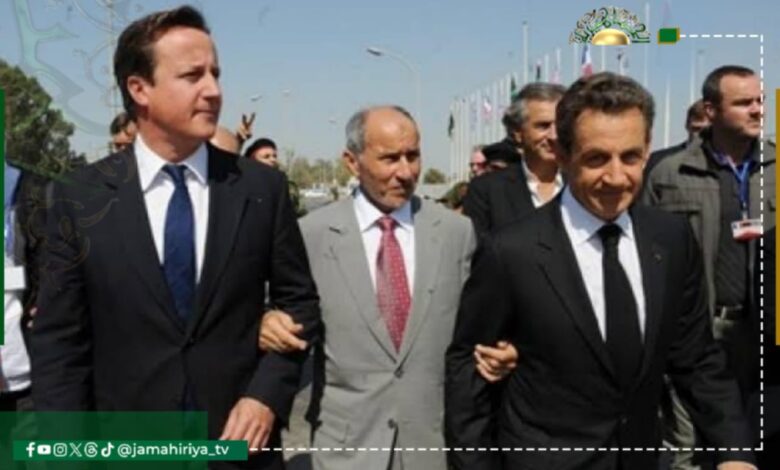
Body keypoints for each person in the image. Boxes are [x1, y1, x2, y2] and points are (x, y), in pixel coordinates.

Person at [30, 7, 320, 469]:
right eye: (192, 75)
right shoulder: (79, 197)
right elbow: (60, 345)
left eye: (215, 74)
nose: (214, 90)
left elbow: (300, 306)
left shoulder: (260, 190)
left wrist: (265, 397)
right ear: (139, 89)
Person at [445, 72, 754, 470]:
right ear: (563, 154)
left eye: (631, 157)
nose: (616, 177)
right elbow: (468, 376)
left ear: (647, 150)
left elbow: (697, 359)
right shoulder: (511, 252)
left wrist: (735, 452)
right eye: (596, 159)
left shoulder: (671, 239)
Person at [258, 105, 517, 469]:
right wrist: (267, 320)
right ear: (352, 162)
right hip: (346, 451)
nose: (406, 172)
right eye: (390, 158)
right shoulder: (311, 236)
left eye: (413, 156)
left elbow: (486, 322)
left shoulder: (458, 234)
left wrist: (506, 349)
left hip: (434, 447)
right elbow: (275, 307)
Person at [643, 65, 774, 469]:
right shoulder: (669, 174)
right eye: (744, 102)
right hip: (694, 333)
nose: (757, 109)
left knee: (755, 441)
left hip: (762, 334)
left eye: (760, 100)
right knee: (687, 447)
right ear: (711, 110)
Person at [463, 83, 566, 236]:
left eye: (561, 125)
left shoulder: (584, 185)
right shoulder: (487, 191)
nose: (554, 136)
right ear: (518, 132)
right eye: (543, 126)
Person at [645, 99, 709, 175]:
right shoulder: (658, 161)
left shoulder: (721, 166)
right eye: (696, 129)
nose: (701, 134)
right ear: (687, 126)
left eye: (707, 130)